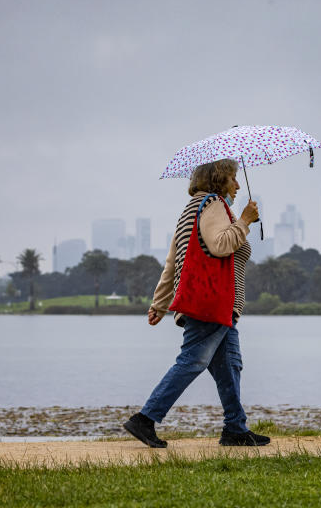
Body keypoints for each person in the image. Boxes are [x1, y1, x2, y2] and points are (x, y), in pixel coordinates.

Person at [123, 158, 270, 448]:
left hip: (216, 305)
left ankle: (235, 429)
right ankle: (146, 418)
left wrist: (160, 303)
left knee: (230, 365)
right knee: (193, 360)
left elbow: (173, 263)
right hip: (212, 303)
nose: (238, 185)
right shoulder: (214, 205)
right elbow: (220, 245)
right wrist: (244, 221)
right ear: (218, 181)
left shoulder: (191, 209)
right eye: (232, 179)